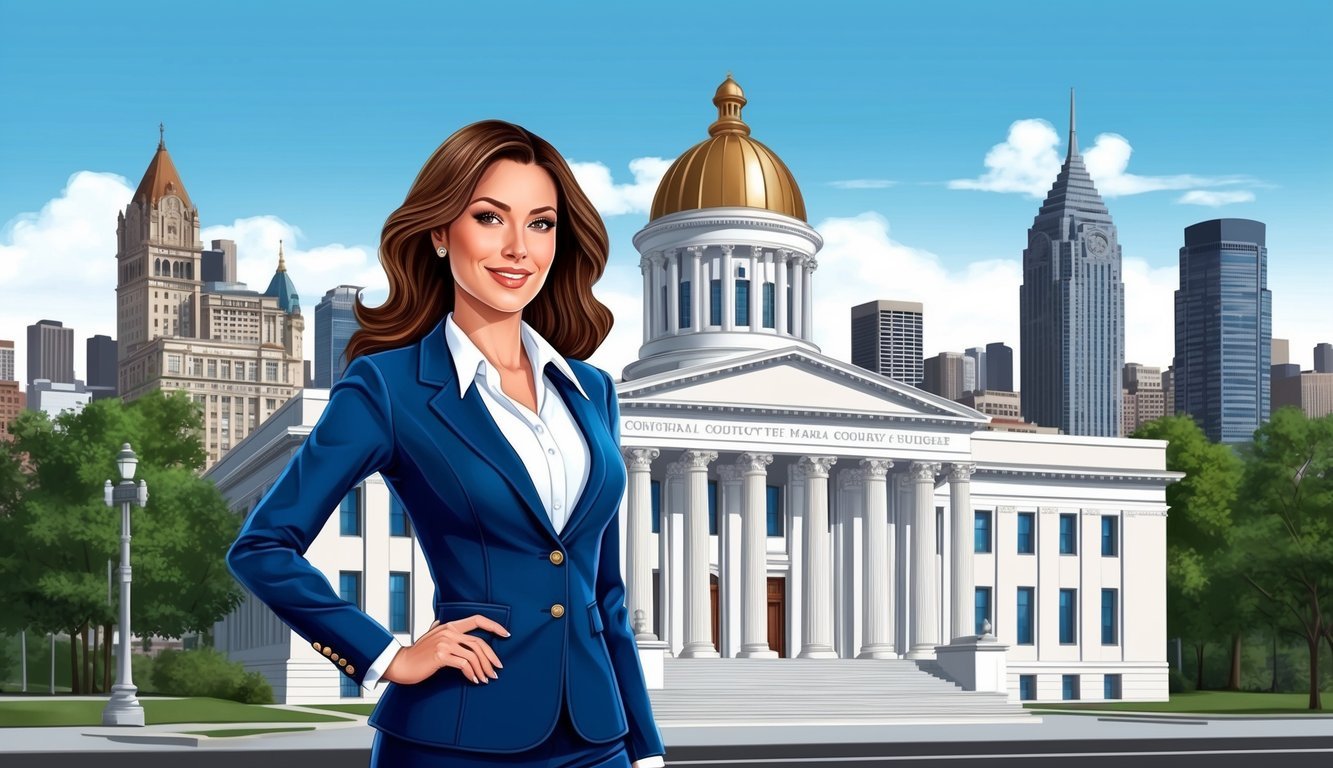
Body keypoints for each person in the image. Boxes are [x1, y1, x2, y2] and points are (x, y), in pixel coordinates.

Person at [226, 120, 665, 768]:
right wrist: (387, 656)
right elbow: (262, 548)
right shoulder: (389, 387)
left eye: (541, 224)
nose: (519, 248)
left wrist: (646, 748)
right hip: (457, 736)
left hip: (596, 739)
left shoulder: (591, 390)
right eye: (490, 218)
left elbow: (604, 594)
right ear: (438, 232)